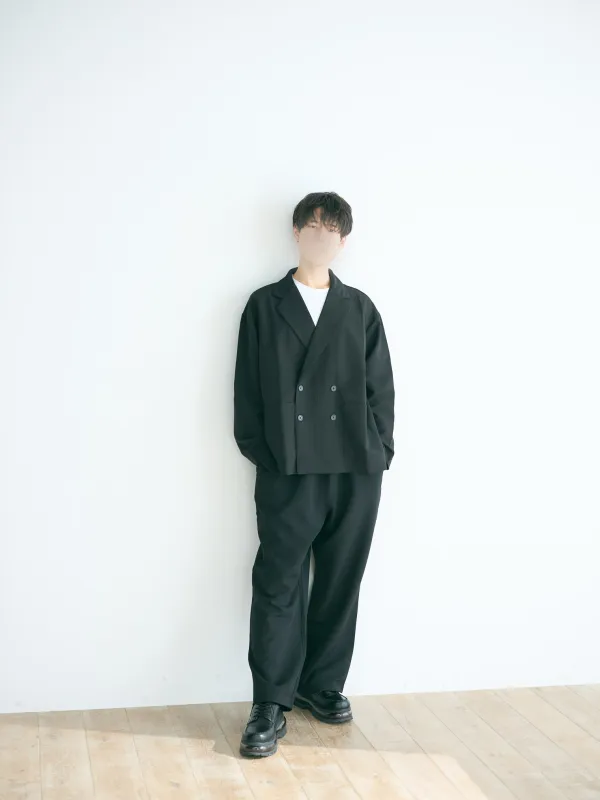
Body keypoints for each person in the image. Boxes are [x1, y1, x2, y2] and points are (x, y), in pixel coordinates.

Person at [233, 191, 394, 758]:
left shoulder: (359, 308)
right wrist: (266, 454)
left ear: (343, 241)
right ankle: (269, 701)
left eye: (333, 229)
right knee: (278, 582)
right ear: (297, 232)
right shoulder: (265, 304)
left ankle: (320, 685)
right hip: (290, 467)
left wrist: (380, 449)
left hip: (355, 466)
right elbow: (247, 391)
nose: (323, 237)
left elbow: (380, 388)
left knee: (340, 579)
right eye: (314, 226)